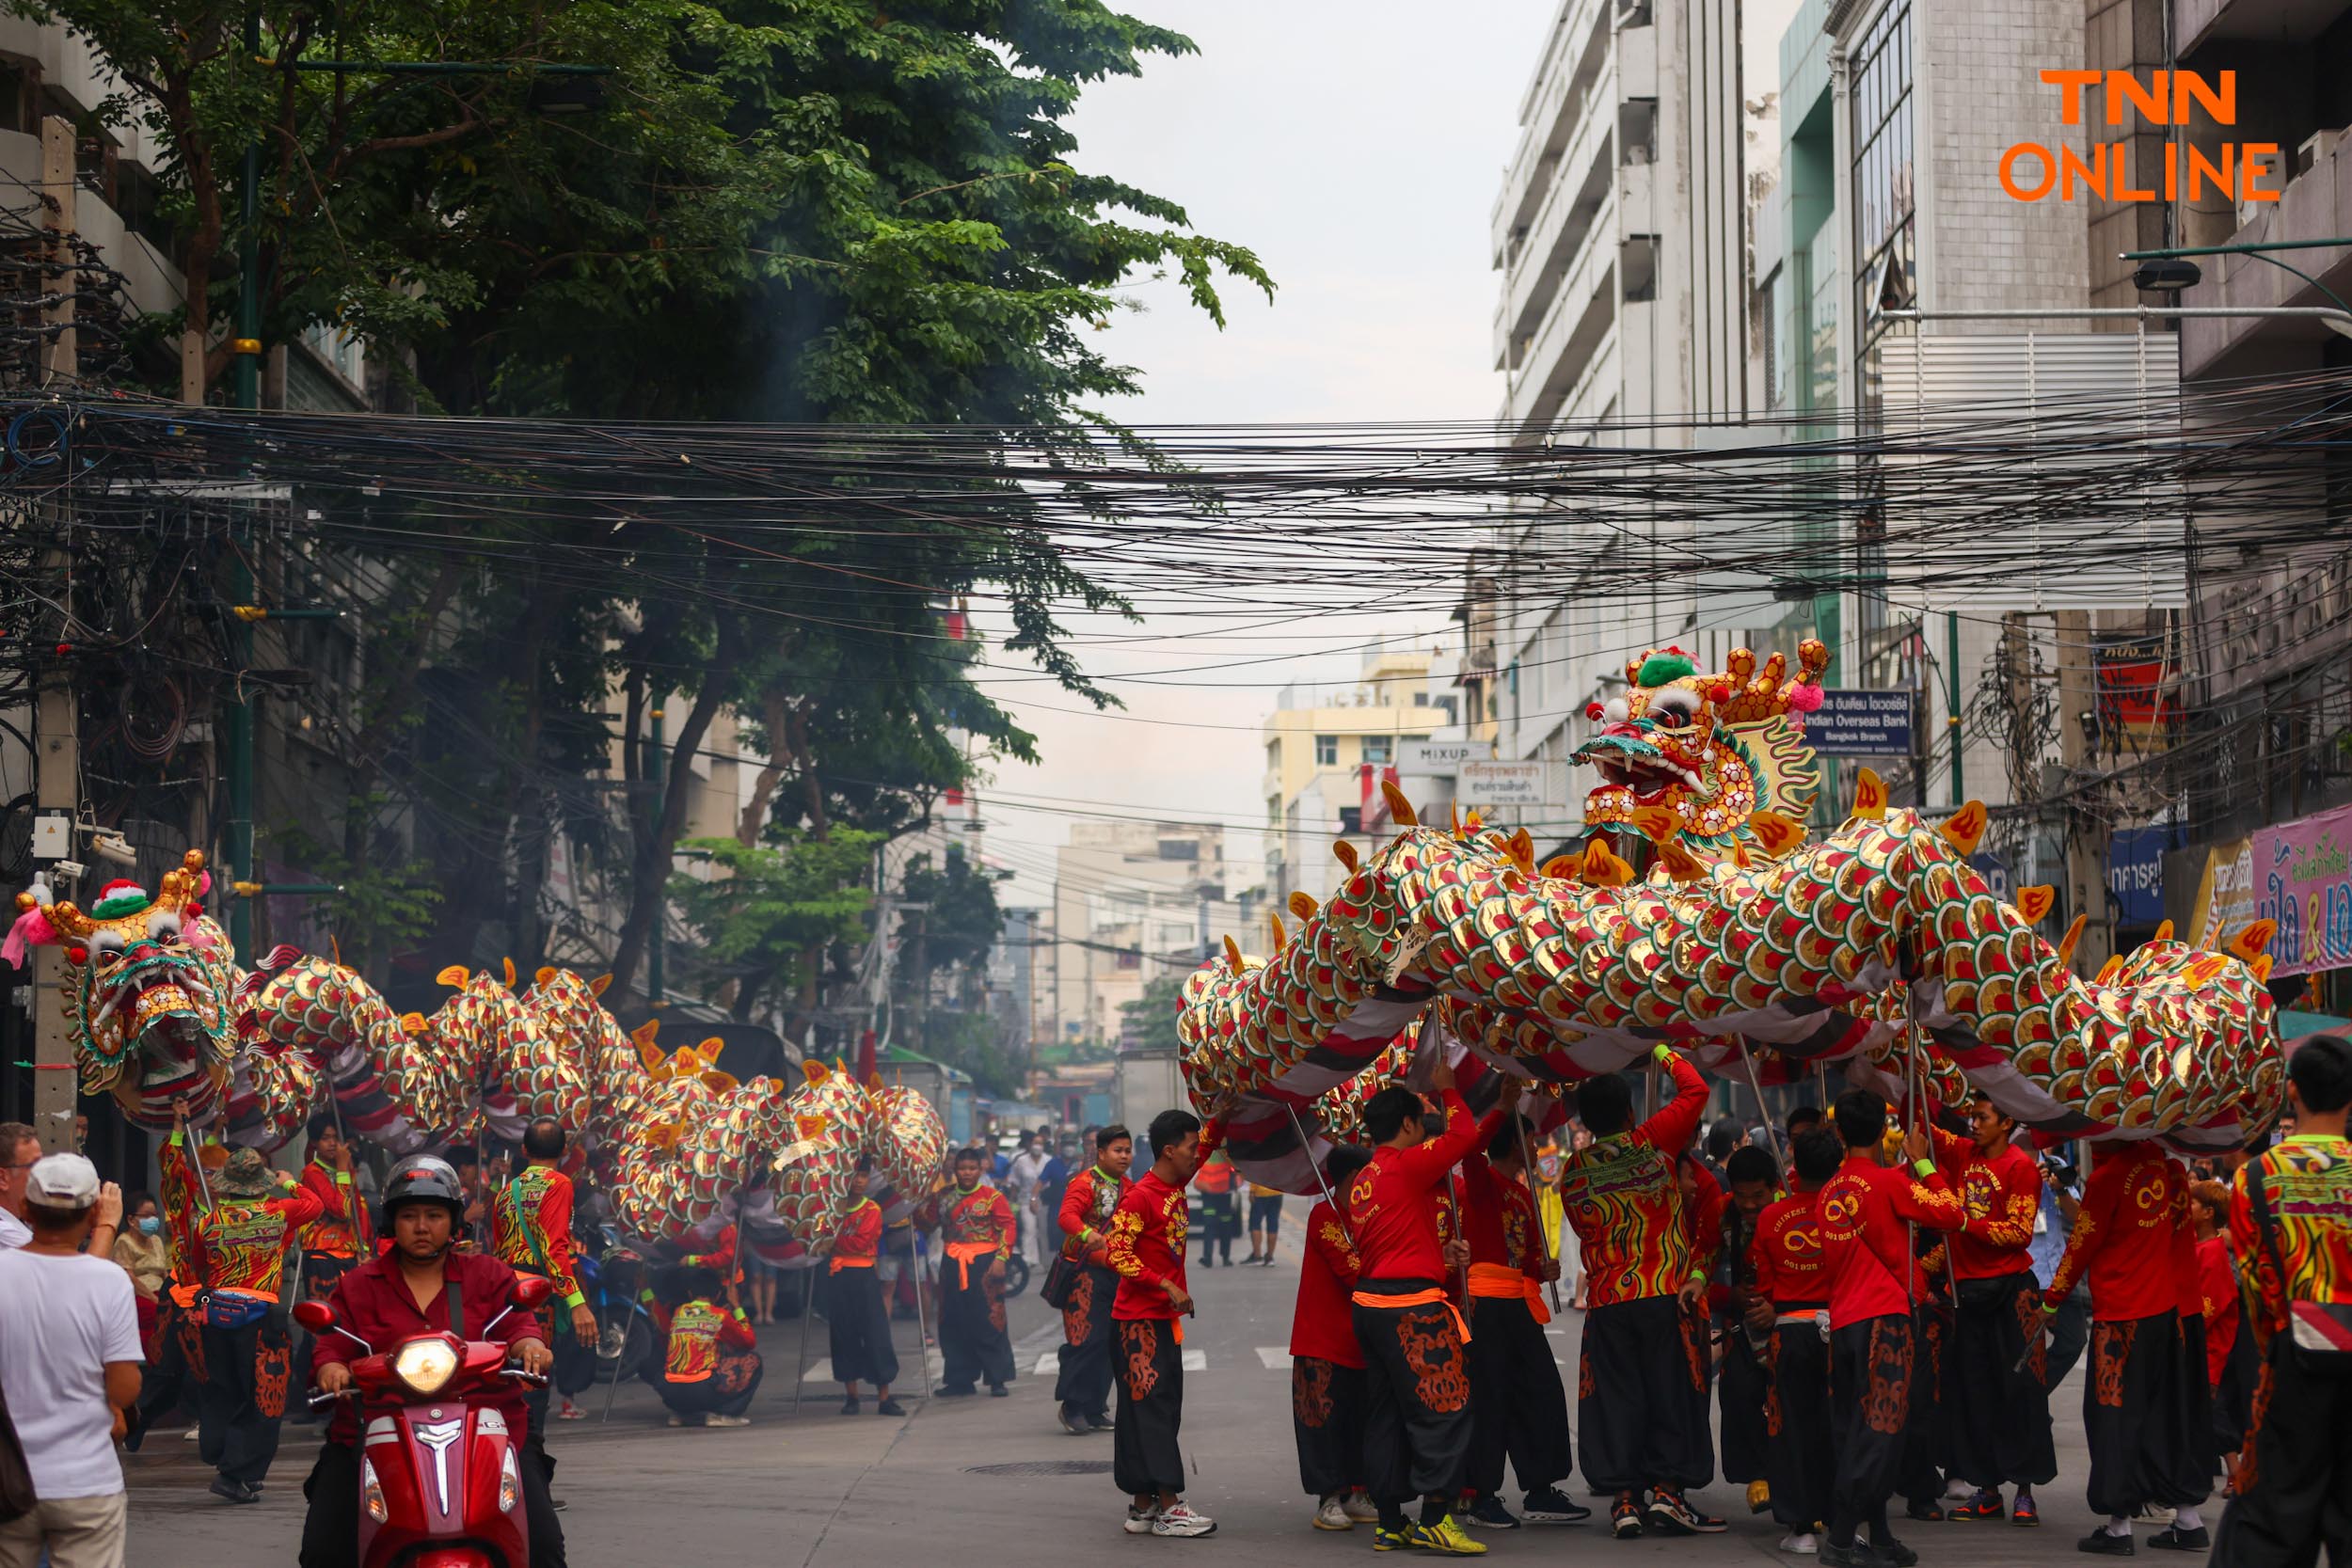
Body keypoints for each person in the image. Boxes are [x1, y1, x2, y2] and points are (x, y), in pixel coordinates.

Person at [299, 1154, 563, 1567]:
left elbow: (519, 1325)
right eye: (410, 1216)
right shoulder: (359, 1285)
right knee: (322, 1550)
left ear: (453, 1222)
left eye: (435, 1215)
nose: (422, 1227)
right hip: (375, 1431)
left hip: (487, 1431)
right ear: (393, 1222)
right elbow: (332, 1344)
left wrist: (529, 1346)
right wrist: (332, 1368)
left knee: (544, 1548)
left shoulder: (489, 1275)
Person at [1557, 1044, 1720, 1539]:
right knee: (1669, 1394)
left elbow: (1586, 1232)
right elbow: (1697, 1088)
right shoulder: (1651, 1143)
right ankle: (1668, 1495)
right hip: (1662, 1294)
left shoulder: (1574, 1172)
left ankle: (1625, 1500)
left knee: (1617, 1400)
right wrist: (1660, 1049)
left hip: (1608, 1302)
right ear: (1630, 1113)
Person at [2211, 1035, 2352, 1568]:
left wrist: (2278, 1348)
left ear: (2291, 1090)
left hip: (2295, 1361)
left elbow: (2258, 1286)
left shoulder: (2256, 1178)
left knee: (2269, 1523)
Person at [1814, 1090, 1963, 1568]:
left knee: (1863, 1427)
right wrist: (1921, 1163)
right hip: (1886, 1321)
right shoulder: (1891, 1184)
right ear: (1883, 1131)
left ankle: (1879, 1535)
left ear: (1839, 1134)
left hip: (1845, 1324)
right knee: (1882, 1429)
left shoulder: (1828, 1191)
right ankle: (1840, 1537)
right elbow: (1952, 1214)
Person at [1347, 1057, 1485, 1556]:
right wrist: (1448, 1092)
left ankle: (1389, 1522)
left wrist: (1441, 1255)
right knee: (1444, 1407)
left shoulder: (1366, 1176)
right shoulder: (1407, 1164)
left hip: (1370, 1303)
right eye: (1419, 1121)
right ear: (1407, 1124)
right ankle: (1438, 1517)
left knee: (1386, 1415)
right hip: (1411, 1308)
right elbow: (1464, 1136)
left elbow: (1393, 1243)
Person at [2043, 1139, 2205, 1555]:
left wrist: (2051, 1300)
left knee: (2114, 1419)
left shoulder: (2107, 1177)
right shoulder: (2167, 1168)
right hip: (2166, 1312)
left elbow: (2083, 1243)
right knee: (2165, 1415)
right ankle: (2188, 1519)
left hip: (2121, 1319)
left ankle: (2119, 1526)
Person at [160, 1119, 324, 1504]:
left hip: (217, 1314)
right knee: (263, 1399)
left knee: (223, 1389)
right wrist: (287, 1181)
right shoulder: (278, 1212)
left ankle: (219, 1449)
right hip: (262, 1317)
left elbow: (200, 1267)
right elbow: (315, 1204)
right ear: (259, 1182)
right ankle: (238, 1474)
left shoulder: (210, 1222)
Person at [1456, 1077, 1585, 1531]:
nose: (1539, 1148)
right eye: (1532, 1140)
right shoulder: (1481, 1182)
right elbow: (1469, 1151)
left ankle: (1540, 1489)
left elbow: (1527, 1257)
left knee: (1540, 1393)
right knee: (1490, 1401)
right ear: (1514, 1143)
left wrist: (1541, 1269)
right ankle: (1481, 1495)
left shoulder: (1523, 1190)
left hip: (1519, 1306)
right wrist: (1500, 1106)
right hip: (1486, 1307)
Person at [0, 1153, 138, 1568]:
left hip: (10, 1477)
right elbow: (124, 1387)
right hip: (87, 1481)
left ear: (26, 1208)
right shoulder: (109, 1280)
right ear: (95, 1210)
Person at [1927, 1094, 2052, 1528]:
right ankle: (1986, 1489)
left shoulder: (2021, 1168)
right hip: (1967, 1295)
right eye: (1972, 1116)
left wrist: (1963, 1222)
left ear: (2007, 1121)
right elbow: (1927, 1127)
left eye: (1982, 1117)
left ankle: (2024, 1492)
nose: (1973, 1123)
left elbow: (2018, 1232)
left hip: (2011, 1294)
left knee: (2019, 1392)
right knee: (1974, 1392)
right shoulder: (1965, 1154)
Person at [1106, 1106, 1226, 1538]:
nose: (1198, 1156)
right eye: (1191, 1149)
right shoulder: (1141, 1195)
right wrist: (1165, 1285)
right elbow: (1115, 1252)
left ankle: (1142, 1506)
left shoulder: (1173, 1184)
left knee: (1148, 1412)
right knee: (1153, 1412)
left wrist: (1222, 1118)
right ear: (1169, 1150)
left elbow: (1205, 1144)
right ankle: (1171, 1507)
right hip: (1138, 1324)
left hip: (1155, 1322)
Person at [1753, 1126, 1843, 1556]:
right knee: (1839, 1423)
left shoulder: (1771, 1216)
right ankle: (1843, 1517)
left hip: (1789, 1331)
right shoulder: (1845, 1212)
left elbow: (1765, 1284)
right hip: (1842, 1329)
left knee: (1792, 1427)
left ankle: (1801, 1525)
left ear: (1794, 1164)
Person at [489, 1117, 598, 1435]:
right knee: (533, 1377)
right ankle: (527, 1451)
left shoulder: (507, 1191)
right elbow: (554, 1249)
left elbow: (500, 1247)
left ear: (524, 1150)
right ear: (564, 1150)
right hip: (535, 1294)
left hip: (505, 1293)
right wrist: (577, 1302)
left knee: (512, 1373)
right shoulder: (559, 1184)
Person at [1292, 1143, 1377, 1533]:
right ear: (1350, 1179)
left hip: (1361, 1339)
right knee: (1322, 1422)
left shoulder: (1369, 1216)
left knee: (1358, 1420)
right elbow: (1351, 1271)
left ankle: (1356, 1491)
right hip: (1322, 1341)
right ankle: (1328, 1498)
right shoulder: (1325, 1215)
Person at [1711, 1144, 1783, 1519]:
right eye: (1742, 1196)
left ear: (1775, 1187)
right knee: (1737, 1390)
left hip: (1790, 1319)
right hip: (1741, 1322)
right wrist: (1730, 1296)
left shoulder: (1793, 1215)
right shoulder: (1720, 1215)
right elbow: (1699, 1271)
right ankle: (1758, 1473)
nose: (1751, 1205)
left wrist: (1777, 1308)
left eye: (1759, 1195)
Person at [288, 1117, 369, 1426]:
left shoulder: (343, 1170)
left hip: (348, 1255)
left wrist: (365, 1248)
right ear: (315, 1144)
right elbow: (340, 1208)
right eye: (326, 1138)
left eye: (337, 1138)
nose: (333, 1144)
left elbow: (358, 1214)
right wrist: (346, 1170)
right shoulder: (313, 1172)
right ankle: (310, 1395)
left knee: (348, 1324)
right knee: (321, 1327)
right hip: (322, 1256)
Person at [1055, 1123, 1133, 1434]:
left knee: (1111, 1343)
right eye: (1118, 1150)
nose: (1124, 1156)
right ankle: (1072, 1406)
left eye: (1127, 1150)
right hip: (1085, 1273)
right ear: (1101, 1153)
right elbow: (1066, 1217)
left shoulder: (1129, 1186)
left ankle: (1095, 1407)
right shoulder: (1083, 1183)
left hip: (1116, 1274)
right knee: (1086, 1339)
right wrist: (1088, 1234)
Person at [937, 1146, 1016, 1397]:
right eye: (962, 1168)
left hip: (985, 1264)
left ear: (980, 1169)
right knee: (953, 1320)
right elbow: (926, 1221)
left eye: (972, 1168)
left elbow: (1007, 1227)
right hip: (951, 1263)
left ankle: (997, 1378)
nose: (967, 1173)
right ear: (954, 1169)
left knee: (990, 1318)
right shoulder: (943, 1197)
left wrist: (1002, 1258)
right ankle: (959, 1379)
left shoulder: (993, 1197)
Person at [823, 1161, 901, 1417]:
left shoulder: (872, 1209)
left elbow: (859, 1242)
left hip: (864, 1275)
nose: (859, 1180)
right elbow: (819, 1239)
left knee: (876, 1333)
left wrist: (833, 1240)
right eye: (855, 1175)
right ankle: (851, 1396)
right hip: (839, 1276)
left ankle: (884, 1398)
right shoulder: (831, 1208)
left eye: (864, 1176)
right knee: (843, 1334)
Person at [649, 1265, 762, 1429]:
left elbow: (658, 1319)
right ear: (717, 1295)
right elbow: (749, 1342)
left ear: (690, 1294)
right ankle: (725, 1414)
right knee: (753, 1360)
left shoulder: (679, 1311)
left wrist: (645, 1289)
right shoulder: (720, 1315)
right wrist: (737, 1307)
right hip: (701, 1389)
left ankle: (682, 1413)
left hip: (669, 1390)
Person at [110, 1191, 169, 1362]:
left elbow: (163, 1271)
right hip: (139, 1295)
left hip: (160, 1292)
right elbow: (129, 1277)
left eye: (155, 1215)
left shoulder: (156, 1240)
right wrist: (153, 1298)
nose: (152, 1220)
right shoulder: (124, 1242)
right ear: (131, 1220)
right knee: (153, 1315)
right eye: (146, 1216)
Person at [1005, 1130, 1048, 1262]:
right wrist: (1011, 1202)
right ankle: (1029, 1259)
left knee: (1043, 1231)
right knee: (1029, 1230)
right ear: (1030, 1145)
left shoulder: (1048, 1160)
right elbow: (1015, 1181)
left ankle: (1046, 1261)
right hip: (1025, 1200)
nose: (1037, 1146)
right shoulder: (1021, 1161)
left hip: (1044, 1200)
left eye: (1040, 1143)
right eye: (1035, 1143)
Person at [0, 1121, 43, 1249]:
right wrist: (104, 1223)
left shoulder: (25, 1220)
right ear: (2, 1178)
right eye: (35, 1166)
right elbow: (62, 1268)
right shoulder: (5, 1232)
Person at [1193, 1148, 1238, 1267]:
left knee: (1210, 1225)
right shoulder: (1225, 1148)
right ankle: (1224, 1257)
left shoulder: (1205, 1145)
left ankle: (1209, 1258)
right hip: (1222, 1191)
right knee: (1224, 1225)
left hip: (1211, 1192)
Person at [1246, 1180, 1284, 1266]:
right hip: (1277, 1192)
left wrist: (1252, 1190)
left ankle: (1257, 1256)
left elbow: (1256, 1173)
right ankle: (1270, 1258)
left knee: (1255, 1223)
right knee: (1273, 1224)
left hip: (1260, 1193)